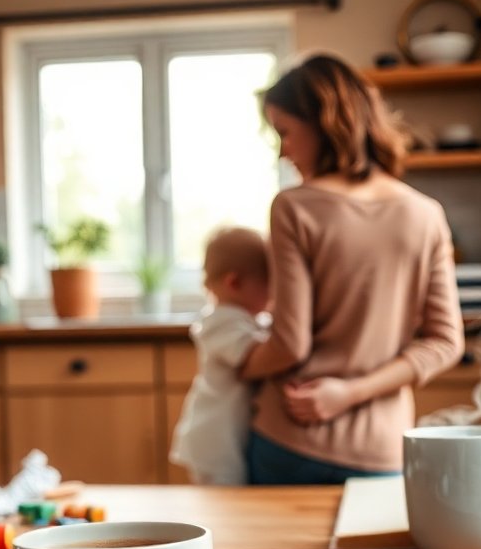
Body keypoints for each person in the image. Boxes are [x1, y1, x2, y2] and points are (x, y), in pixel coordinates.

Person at [240, 54, 465, 485]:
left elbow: (290, 344)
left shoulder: (294, 206)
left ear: (324, 122)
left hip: (291, 440)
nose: (283, 151)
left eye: (285, 133)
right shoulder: (426, 213)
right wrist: (350, 393)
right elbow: (445, 342)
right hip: (383, 452)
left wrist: (237, 362)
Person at [169, 227, 271, 485]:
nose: (275, 292)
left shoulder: (244, 318)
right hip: (214, 442)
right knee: (224, 503)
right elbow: (258, 353)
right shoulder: (220, 323)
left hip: (227, 436)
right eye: (269, 283)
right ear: (234, 282)